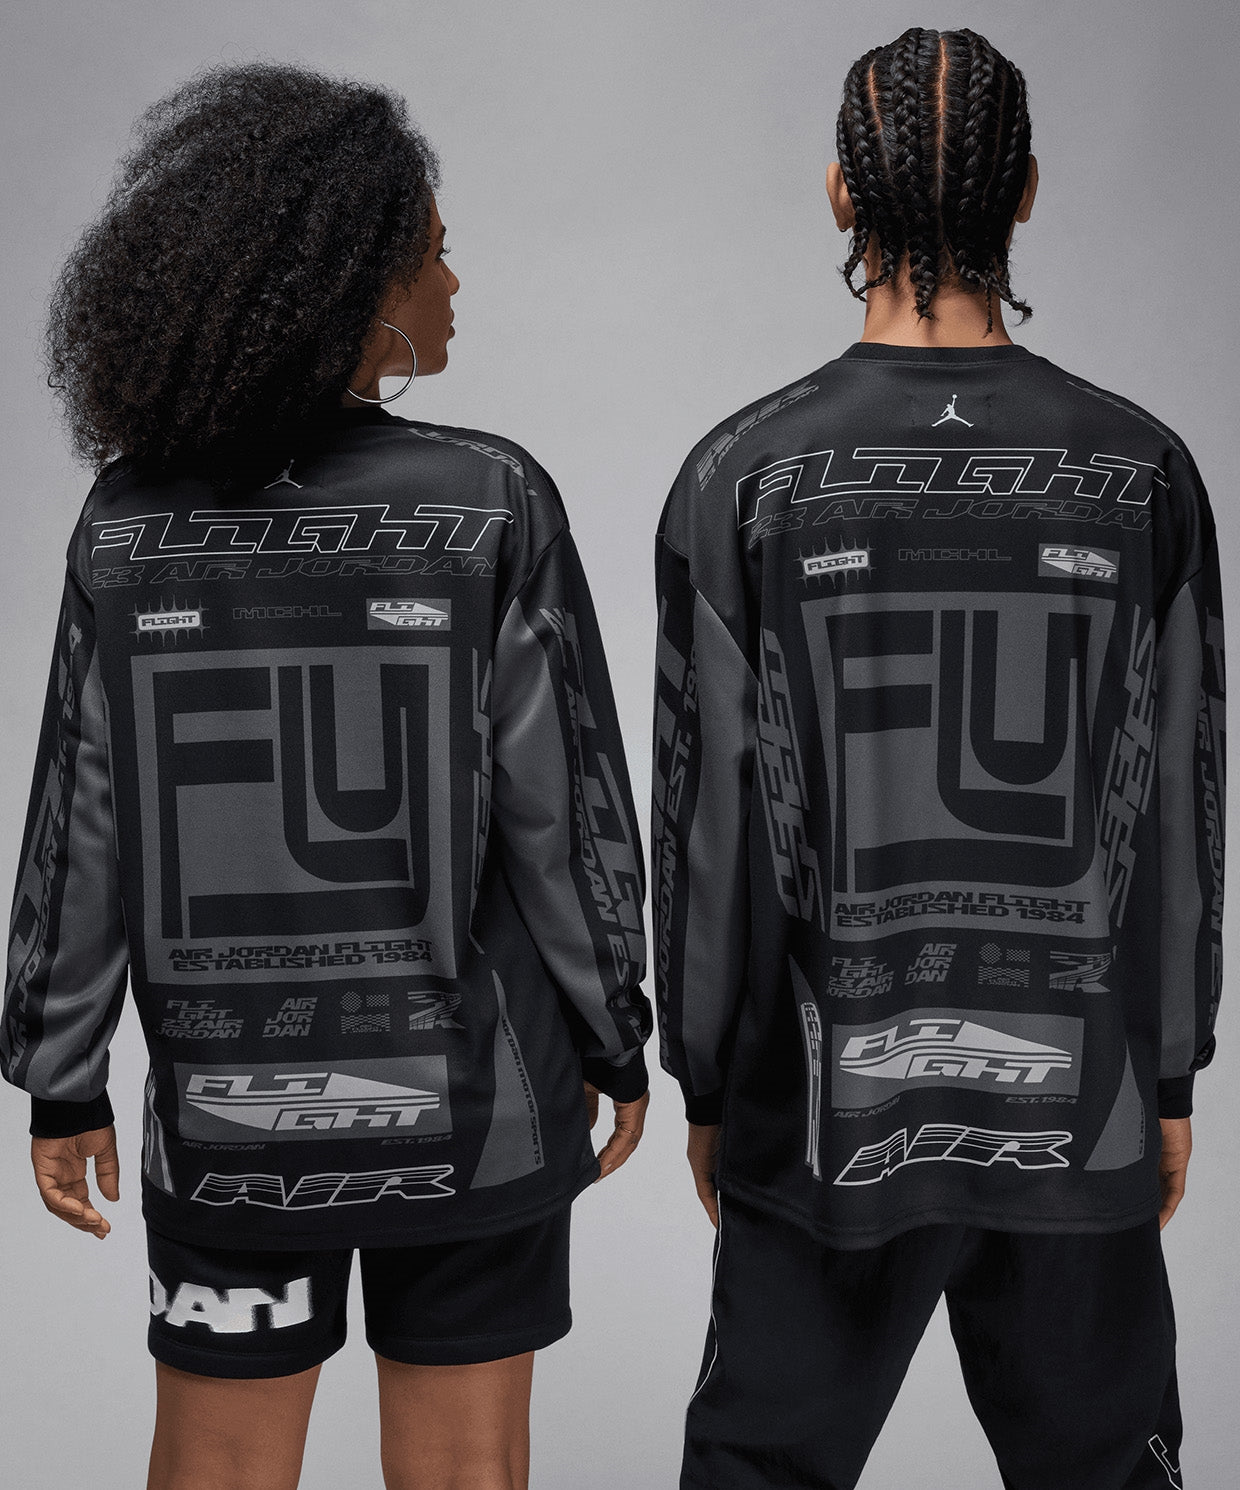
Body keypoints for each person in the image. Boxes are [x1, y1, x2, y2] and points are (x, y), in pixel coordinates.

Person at [1, 60, 652, 1490]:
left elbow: (80, 822)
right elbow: (569, 819)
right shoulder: (491, 499)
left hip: (226, 1118)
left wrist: (59, 1079)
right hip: (477, 1112)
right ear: (355, 282)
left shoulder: (128, 521)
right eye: (433, 251)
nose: (454, 280)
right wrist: (620, 1037)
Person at [651, 25, 1223, 1490]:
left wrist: (707, 1082)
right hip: (1082, 1091)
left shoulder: (743, 474)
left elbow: (706, 828)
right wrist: (1167, 1074)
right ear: (1025, 190)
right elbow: (1184, 799)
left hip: (819, 1103)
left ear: (841, 192)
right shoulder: (1142, 469)